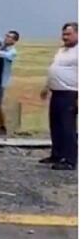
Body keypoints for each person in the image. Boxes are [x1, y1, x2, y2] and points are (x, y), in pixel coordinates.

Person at [40, 22, 78, 170]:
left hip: (71, 94)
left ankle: (69, 160)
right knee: (56, 125)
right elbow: (55, 68)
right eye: (63, 34)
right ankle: (56, 154)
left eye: (68, 34)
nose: (65, 37)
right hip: (57, 92)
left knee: (67, 127)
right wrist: (47, 86)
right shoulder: (62, 50)